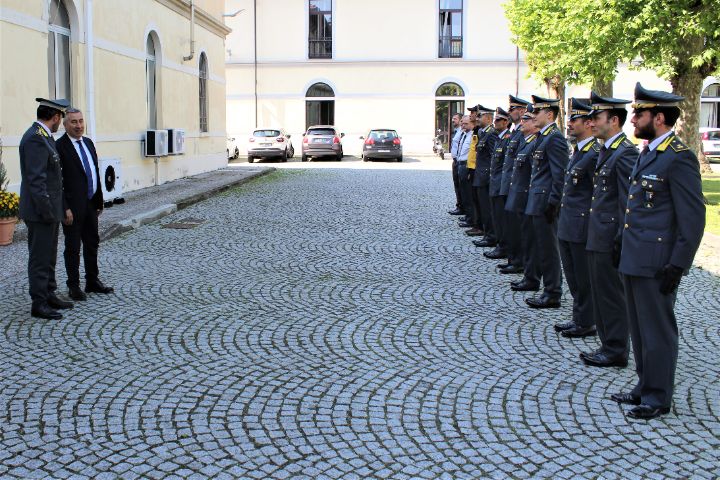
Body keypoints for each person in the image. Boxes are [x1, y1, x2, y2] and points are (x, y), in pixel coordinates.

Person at [611, 82, 705, 420]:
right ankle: (643, 384)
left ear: (660, 117)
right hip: (635, 258)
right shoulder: (650, 152)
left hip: (656, 263)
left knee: (657, 331)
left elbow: (692, 220)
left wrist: (677, 266)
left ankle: (657, 396)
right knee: (639, 328)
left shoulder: (678, 159)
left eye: (640, 113)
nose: (633, 119)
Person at [581, 92, 637, 367]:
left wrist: (619, 239)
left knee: (611, 294)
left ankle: (616, 349)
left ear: (614, 121)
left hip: (608, 236)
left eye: (597, 118)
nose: (592, 123)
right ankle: (607, 343)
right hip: (597, 233)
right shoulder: (607, 150)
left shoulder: (625, 153)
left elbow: (627, 201)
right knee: (600, 290)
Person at [18, 98, 73, 320]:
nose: (60, 122)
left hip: (48, 211)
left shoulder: (43, 137)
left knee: (49, 256)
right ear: (56, 117)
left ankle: (49, 293)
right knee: (40, 258)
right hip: (41, 212)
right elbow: (36, 181)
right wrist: (48, 211)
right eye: (61, 118)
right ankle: (39, 303)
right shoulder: (35, 139)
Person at [57, 108, 114, 301]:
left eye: (81, 121)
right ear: (65, 125)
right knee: (72, 248)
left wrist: (98, 202)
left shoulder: (88, 143)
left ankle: (92, 281)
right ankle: (73, 286)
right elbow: (58, 182)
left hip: (90, 205)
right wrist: (64, 207)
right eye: (73, 122)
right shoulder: (60, 147)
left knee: (92, 243)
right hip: (72, 208)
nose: (79, 125)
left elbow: (94, 173)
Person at [553, 98, 599, 338]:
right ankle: (579, 317)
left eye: (575, 120)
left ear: (589, 124)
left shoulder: (594, 154)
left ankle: (587, 321)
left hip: (582, 224)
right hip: (568, 221)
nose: (569, 124)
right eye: (569, 119)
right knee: (573, 275)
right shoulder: (579, 151)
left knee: (583, 276)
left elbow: (597, 195)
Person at [524, 95, 567, 309]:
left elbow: (559, 175)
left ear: (549, 114)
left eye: (537, 112)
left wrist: (553, 203)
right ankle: (547, 288)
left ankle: (553, 292)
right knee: (542, 247)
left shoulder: (555, 138)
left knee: (549, 249)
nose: (533, 116)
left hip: (545, 203)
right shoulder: (543, 137)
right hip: (538, 200)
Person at [505, 108, 542, 292]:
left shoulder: (534, 143)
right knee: (524, 238)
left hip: (528, 198)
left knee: (530, 241)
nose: (522, 122)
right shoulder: (525, 142)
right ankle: (528, 274)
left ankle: (532, 276)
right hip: (520, 196)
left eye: (526, 119)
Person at [498, 95, 531, 275]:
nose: (510, 113)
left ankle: (518, 261)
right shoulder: (516, 133)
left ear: (521, 111)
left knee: (519, 229)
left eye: (512, 110)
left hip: (518, 187)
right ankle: (514, 259)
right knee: (511, 226)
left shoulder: (523, 134)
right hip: (511, 185)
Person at [484, 107, 511, 259]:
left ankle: (503, 247)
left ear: (506, 122)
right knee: (497, 217)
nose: (495, 122)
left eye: (498, 120)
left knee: (502, 220)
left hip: (501, 184)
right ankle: (500, 245)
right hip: (494, 183)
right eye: (495, 119)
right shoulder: (500, 138)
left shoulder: (507, 138)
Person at [470, 106, 498, 241]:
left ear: (488, 118)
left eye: (480, 116)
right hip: (480, 175)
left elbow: (494, 156)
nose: (477, 118)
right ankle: (486, 233)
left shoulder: (491, 134)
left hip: (485, 177)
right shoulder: (483, 133)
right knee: (483, 206)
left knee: (487, 208)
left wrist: (489, 175)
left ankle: (490, 235)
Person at [448, 113, 464, 216]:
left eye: (455, 119)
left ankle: (462, 207)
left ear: (460, 120)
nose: (453, 120)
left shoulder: (462, 132)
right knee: (457, 185)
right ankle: (459, 205)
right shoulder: (457, 131)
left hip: (459, 161)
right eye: (452, 118)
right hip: (455, 161)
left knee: (460, 186)